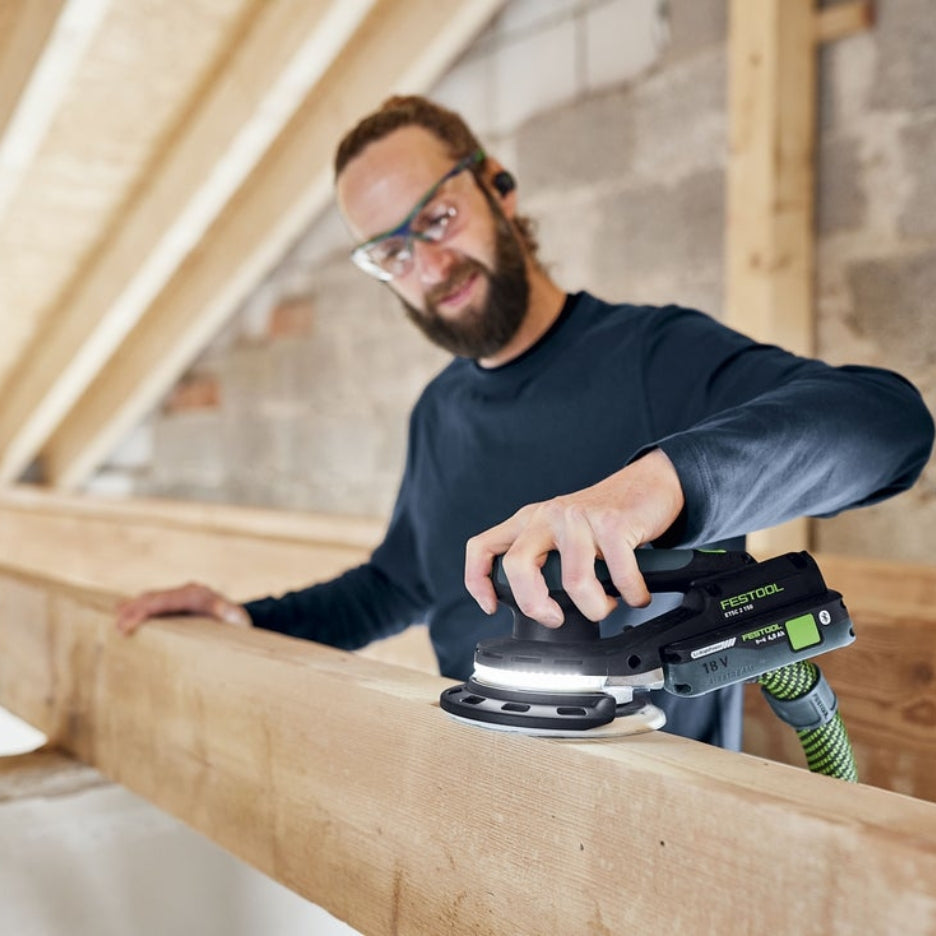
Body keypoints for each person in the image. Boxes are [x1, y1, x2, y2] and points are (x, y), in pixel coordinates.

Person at [116, 95, 934, 750]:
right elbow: (396, 584)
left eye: (435, 219)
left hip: (661, 816)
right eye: (391, 253)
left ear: (498, 187)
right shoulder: (440, 411)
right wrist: (249, 621)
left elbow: (888, 425)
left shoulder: (653, 355)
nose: (428, 266)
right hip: (474, 787)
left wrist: (653, 487)